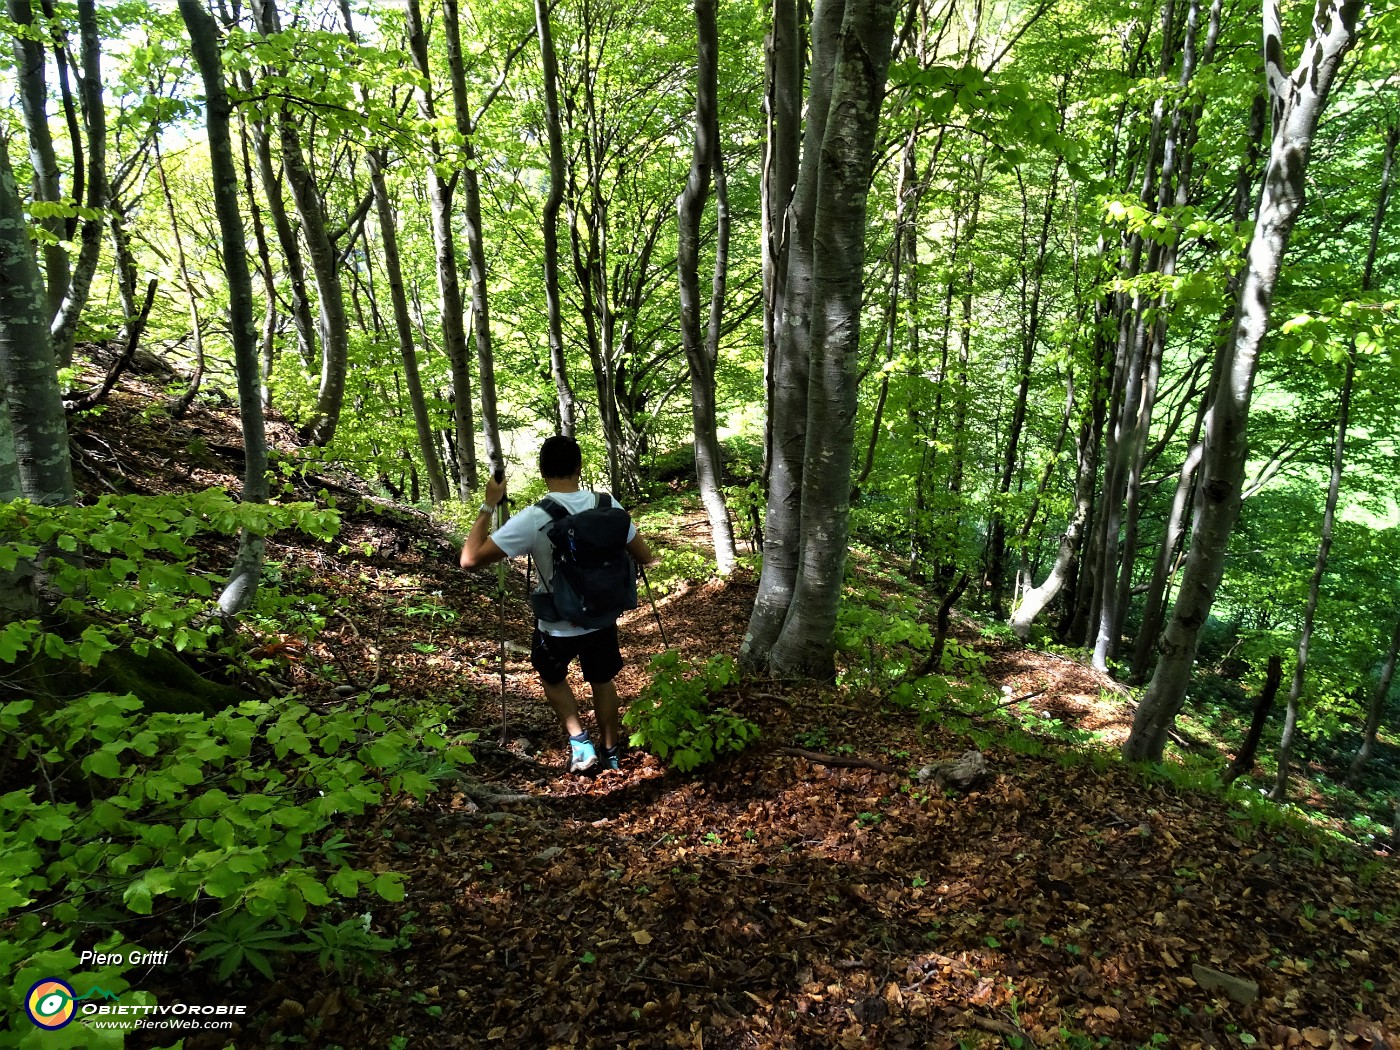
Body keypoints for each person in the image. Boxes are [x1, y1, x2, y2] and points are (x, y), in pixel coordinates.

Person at [460, 435, 655, 774]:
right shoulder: (609, 505)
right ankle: (611, 751)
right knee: (602, 679)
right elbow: (645, 557)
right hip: (603, 617)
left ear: (542, 471)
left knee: (551, 676)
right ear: (579, 468)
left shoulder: (535, 517)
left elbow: (470, 559)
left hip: (558, 623)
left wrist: (489, 505)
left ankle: (581, 744)